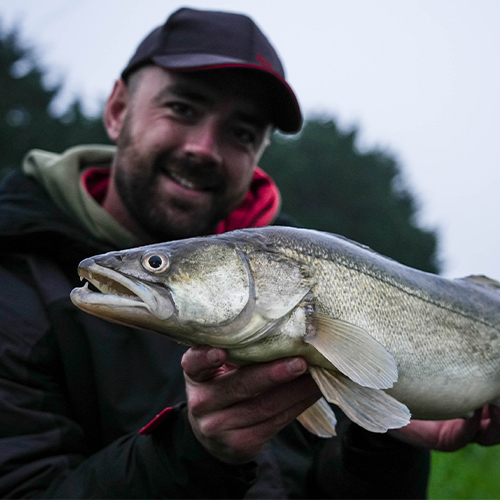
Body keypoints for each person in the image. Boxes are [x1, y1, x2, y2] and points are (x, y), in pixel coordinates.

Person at [0, 6, 499, 498]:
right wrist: (189, 454)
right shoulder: (16, 284)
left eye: (241, 132)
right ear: (117, 109)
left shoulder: (303, 277)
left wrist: (386, 441)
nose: (204, 148)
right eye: (182, 108)